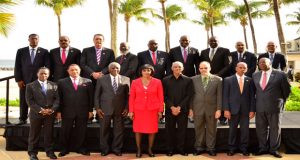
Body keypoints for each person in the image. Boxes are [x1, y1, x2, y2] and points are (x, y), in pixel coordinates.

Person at [253, 58, 291, 158]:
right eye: (259, 62)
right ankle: (262, 148)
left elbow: (286, 90)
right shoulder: (255, 75)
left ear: (270, 63)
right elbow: (254, 91)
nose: (261, 64)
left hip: (275, 107)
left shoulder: (280, 74)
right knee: (261, 129)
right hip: (260, 107)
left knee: (275, 128)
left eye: (263, 62)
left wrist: (281, 102)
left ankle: (274, 149)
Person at [57, 64, 94, 157]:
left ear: (80, 71)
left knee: (82, 131)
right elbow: (59, 98)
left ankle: (81, 148)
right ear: (68, 71)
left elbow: (91, 98)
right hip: (67, 111)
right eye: (72, 70)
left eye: (76, 70)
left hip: (83, 110)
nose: (74, 72)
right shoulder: (61, 82)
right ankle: (64, 149)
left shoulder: (88, 81)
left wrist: (90, 110)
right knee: (65, 131)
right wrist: (58, 111)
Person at [94, 62, 130, 156]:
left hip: (120, 109)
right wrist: (97, 108)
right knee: (104, 130)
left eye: (117, 68)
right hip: (104, 109)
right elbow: (97, 95)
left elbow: (128, 96)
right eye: (113, 68)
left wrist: (127, 107)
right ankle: (104, 149)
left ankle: (117, 149)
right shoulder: (101, 79)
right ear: (109, 69)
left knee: (119, 131)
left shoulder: (126, 79)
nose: (115, 70)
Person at [128, 64, 164, 158]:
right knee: (138, 130)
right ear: (141, 71)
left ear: (152, 71)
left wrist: (160, 110)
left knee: (152, 130)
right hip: (138, 110)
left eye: (149, 70)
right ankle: (138, 149)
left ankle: (150, 149)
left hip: (153, 110)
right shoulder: (135, 82)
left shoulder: (158, 82)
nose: (146, 72)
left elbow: (161, 97)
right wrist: (131, 111)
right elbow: (131, 98)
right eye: (144, 70)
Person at [14, 33, 50, 125]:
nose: (34, 40)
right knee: (24, 99)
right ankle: (22, 118)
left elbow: (48, 66)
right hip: (24, 81)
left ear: (38, 40)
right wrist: (18, 80)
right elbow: (17, 66)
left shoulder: (44, 51)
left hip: (39, 81)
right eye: (32, 39)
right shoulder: (21, 51)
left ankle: (40, 118)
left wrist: (45, 79)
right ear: (29, 39)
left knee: (40, 99)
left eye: (36, 39)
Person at [189, 61, 222, 156]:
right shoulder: (193, 79)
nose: (203, 70)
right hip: (197, 108)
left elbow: (219, 96)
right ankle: (199, 147)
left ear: (210, 68)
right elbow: (191, 96)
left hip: (212, 108)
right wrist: (191, 109)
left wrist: (219, 109)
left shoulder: (218, 79)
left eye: (205, 68)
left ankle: (211, 148)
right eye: (201, 68)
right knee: (198, 129)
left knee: (212, 129)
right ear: (198, 69)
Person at [223, 62, 256, 156]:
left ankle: (244, 148)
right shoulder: (228, 80)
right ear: (236, 68)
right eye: (240, 67)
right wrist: (226, 109)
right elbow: (225, 96)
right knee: (232, 130)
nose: (242, 69)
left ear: (246, 69)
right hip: (232, 110)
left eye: (244, 68)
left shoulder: (249, 80)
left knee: (245, 131)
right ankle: (231, 148)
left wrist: (252, 110)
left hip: (246, 111)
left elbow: (252, 96)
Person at [26, 67, 59, 160]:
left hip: (50, 114)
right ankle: (32, 153)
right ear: (37, 74)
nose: (44, 75)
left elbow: (57, 100)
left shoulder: (54, 85)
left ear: (48, 75)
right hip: (36, 114)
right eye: (41, 73)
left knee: (49, 134)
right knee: (34, 134)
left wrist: (52, 110)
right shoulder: (30, 86)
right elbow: (30, 101)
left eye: (46, 74)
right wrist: (41, 110)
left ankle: (50, 152)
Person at [80, 34, 115, 123]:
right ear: (93, 40)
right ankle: (89, 116)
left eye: (100, 39)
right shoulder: (86, 50)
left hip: (103, 78)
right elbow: (83, 64)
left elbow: (111, 65)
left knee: (101, 96)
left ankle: (100, 116)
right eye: (96, 39)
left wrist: (101, 73)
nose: (98, 41)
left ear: (103, 40)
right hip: (89, 78)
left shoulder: (110, 51)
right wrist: (92, 73)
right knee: (89, 96)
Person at [162, 61, 193, 156]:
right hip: (169, 110)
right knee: (169, 131)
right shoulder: (165, 80)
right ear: (172, 68)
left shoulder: (188, 80)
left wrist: (179, 107)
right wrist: (172, 107)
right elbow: (164, 96)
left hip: (182, 110)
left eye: (179, 67)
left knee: (182, 131)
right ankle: (170, 149)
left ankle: (181, 149)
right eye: (175, 67)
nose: (177, 69)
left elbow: (189, 95)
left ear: (182, 68)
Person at [199, 36, 231, 125]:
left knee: (220, 97)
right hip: (206, 78)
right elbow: (201, 65)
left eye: (215, 41)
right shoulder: (203, 52)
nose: (213, 42)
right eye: (211, 41)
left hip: (220, 78)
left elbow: (228, 65)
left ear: (218, 41)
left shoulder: (225, 51)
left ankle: (222, 118)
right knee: (208, 97)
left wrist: (217, 75)